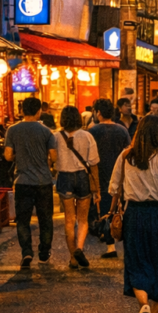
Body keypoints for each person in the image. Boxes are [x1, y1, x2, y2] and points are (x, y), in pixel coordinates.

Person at [110, 115, 158, 313]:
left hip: (134, 215)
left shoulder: (125, 156)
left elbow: (115, 188)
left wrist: (112, 212)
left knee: (137, 263)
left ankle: (144, 306)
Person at [4, 97, 58, 269]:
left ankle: (26, 251)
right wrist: (46, 162)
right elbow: (54, 157)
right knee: (45, 219)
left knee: (23, 220)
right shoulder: (47, 132)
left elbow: (7, 156)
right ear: (38, 111)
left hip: (22, 181)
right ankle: (44, 252)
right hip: (43, 181)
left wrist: (19, 156)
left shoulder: (12, 131)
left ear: (22, 111)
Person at [54, 106, 101, 268]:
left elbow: (52, 159)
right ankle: (79, 248)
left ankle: (73, 257)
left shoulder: (56, 137)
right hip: (82, 178)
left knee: (69, 219)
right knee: (83, 219)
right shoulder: (87, 136)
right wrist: (97, 188)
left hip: (65, 177)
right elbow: (94, 164)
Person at [89, 98, 132, 259]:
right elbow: (128, 152)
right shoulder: (122, 130)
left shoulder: (92, 131)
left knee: (107, 209)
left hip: (100, 175)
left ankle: (110, 246)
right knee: (123, 208)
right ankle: (125, 242)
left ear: (98, 113)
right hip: (121, 174)